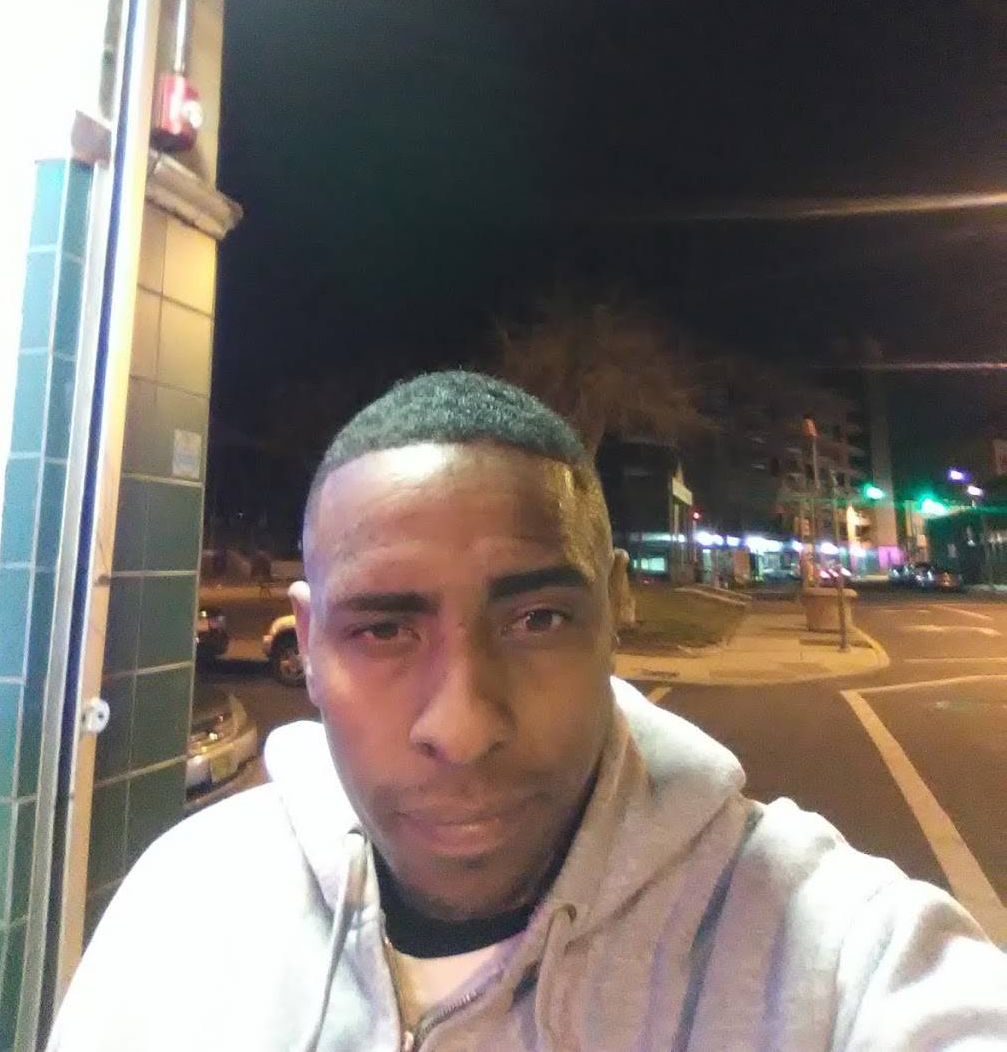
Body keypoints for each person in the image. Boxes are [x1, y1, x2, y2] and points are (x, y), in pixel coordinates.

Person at [49, 371, 1007, 1051]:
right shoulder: (187, 903)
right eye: (383, 629)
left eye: (538, 617)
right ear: (306, 640)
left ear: (616, 607)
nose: (463, 727)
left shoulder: (837, 951)